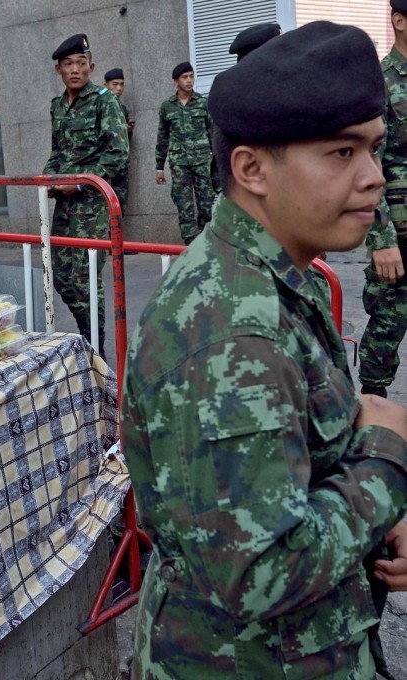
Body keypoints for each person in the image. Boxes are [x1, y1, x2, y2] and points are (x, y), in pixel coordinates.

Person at [122, 22, 407, 678]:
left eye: (375, 149)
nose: (373, 179)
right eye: (342, 154)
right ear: (251, 168)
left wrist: (381, 522)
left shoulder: (278, 267)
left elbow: (291, 479)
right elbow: (262, 572)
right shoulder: (232, 331)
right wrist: (387, 460)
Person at [42, 33, 129, 354]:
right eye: (68, 64)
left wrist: (79, 182)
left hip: (92, 204)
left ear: (91, 66)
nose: (75, 69)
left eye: (81, 63)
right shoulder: (57, 106)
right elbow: (57, 152)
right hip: (64, 205)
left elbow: (118, 153)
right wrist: (48, 179)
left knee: (86, 275)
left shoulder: (105, 100)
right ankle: (86, 331)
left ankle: (96, 347)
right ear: (58, 70)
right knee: (60, 274)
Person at [360, 0, 407, 399]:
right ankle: (374, 419)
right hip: (400, 232)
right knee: (387, 327)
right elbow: (368, 165)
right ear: (399, 21)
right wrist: (383, 240)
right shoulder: (380, 83)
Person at [154, 61, 215, 245]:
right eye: (185, 77)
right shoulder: (167, 106)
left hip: (203, 161)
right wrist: (159, 167)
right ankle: (190, 244)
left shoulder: (203, 103)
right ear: (176, 81)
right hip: (179, 163)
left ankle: (205, 243)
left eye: (191, 76)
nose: (189, 81)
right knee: (184, 205)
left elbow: (213, 133)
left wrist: (218, 162)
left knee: (206, 204)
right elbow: (162, 137)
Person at [103, 67, 134, 210]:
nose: (119, 88)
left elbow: (125, 141)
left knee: (119, 205)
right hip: (104, 164)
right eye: (114, 84)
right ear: (106, 85)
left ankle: (116, 232)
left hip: (121, 165)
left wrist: (128, 131)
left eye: (121, 84)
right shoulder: (100, 105)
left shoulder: (122, 108)